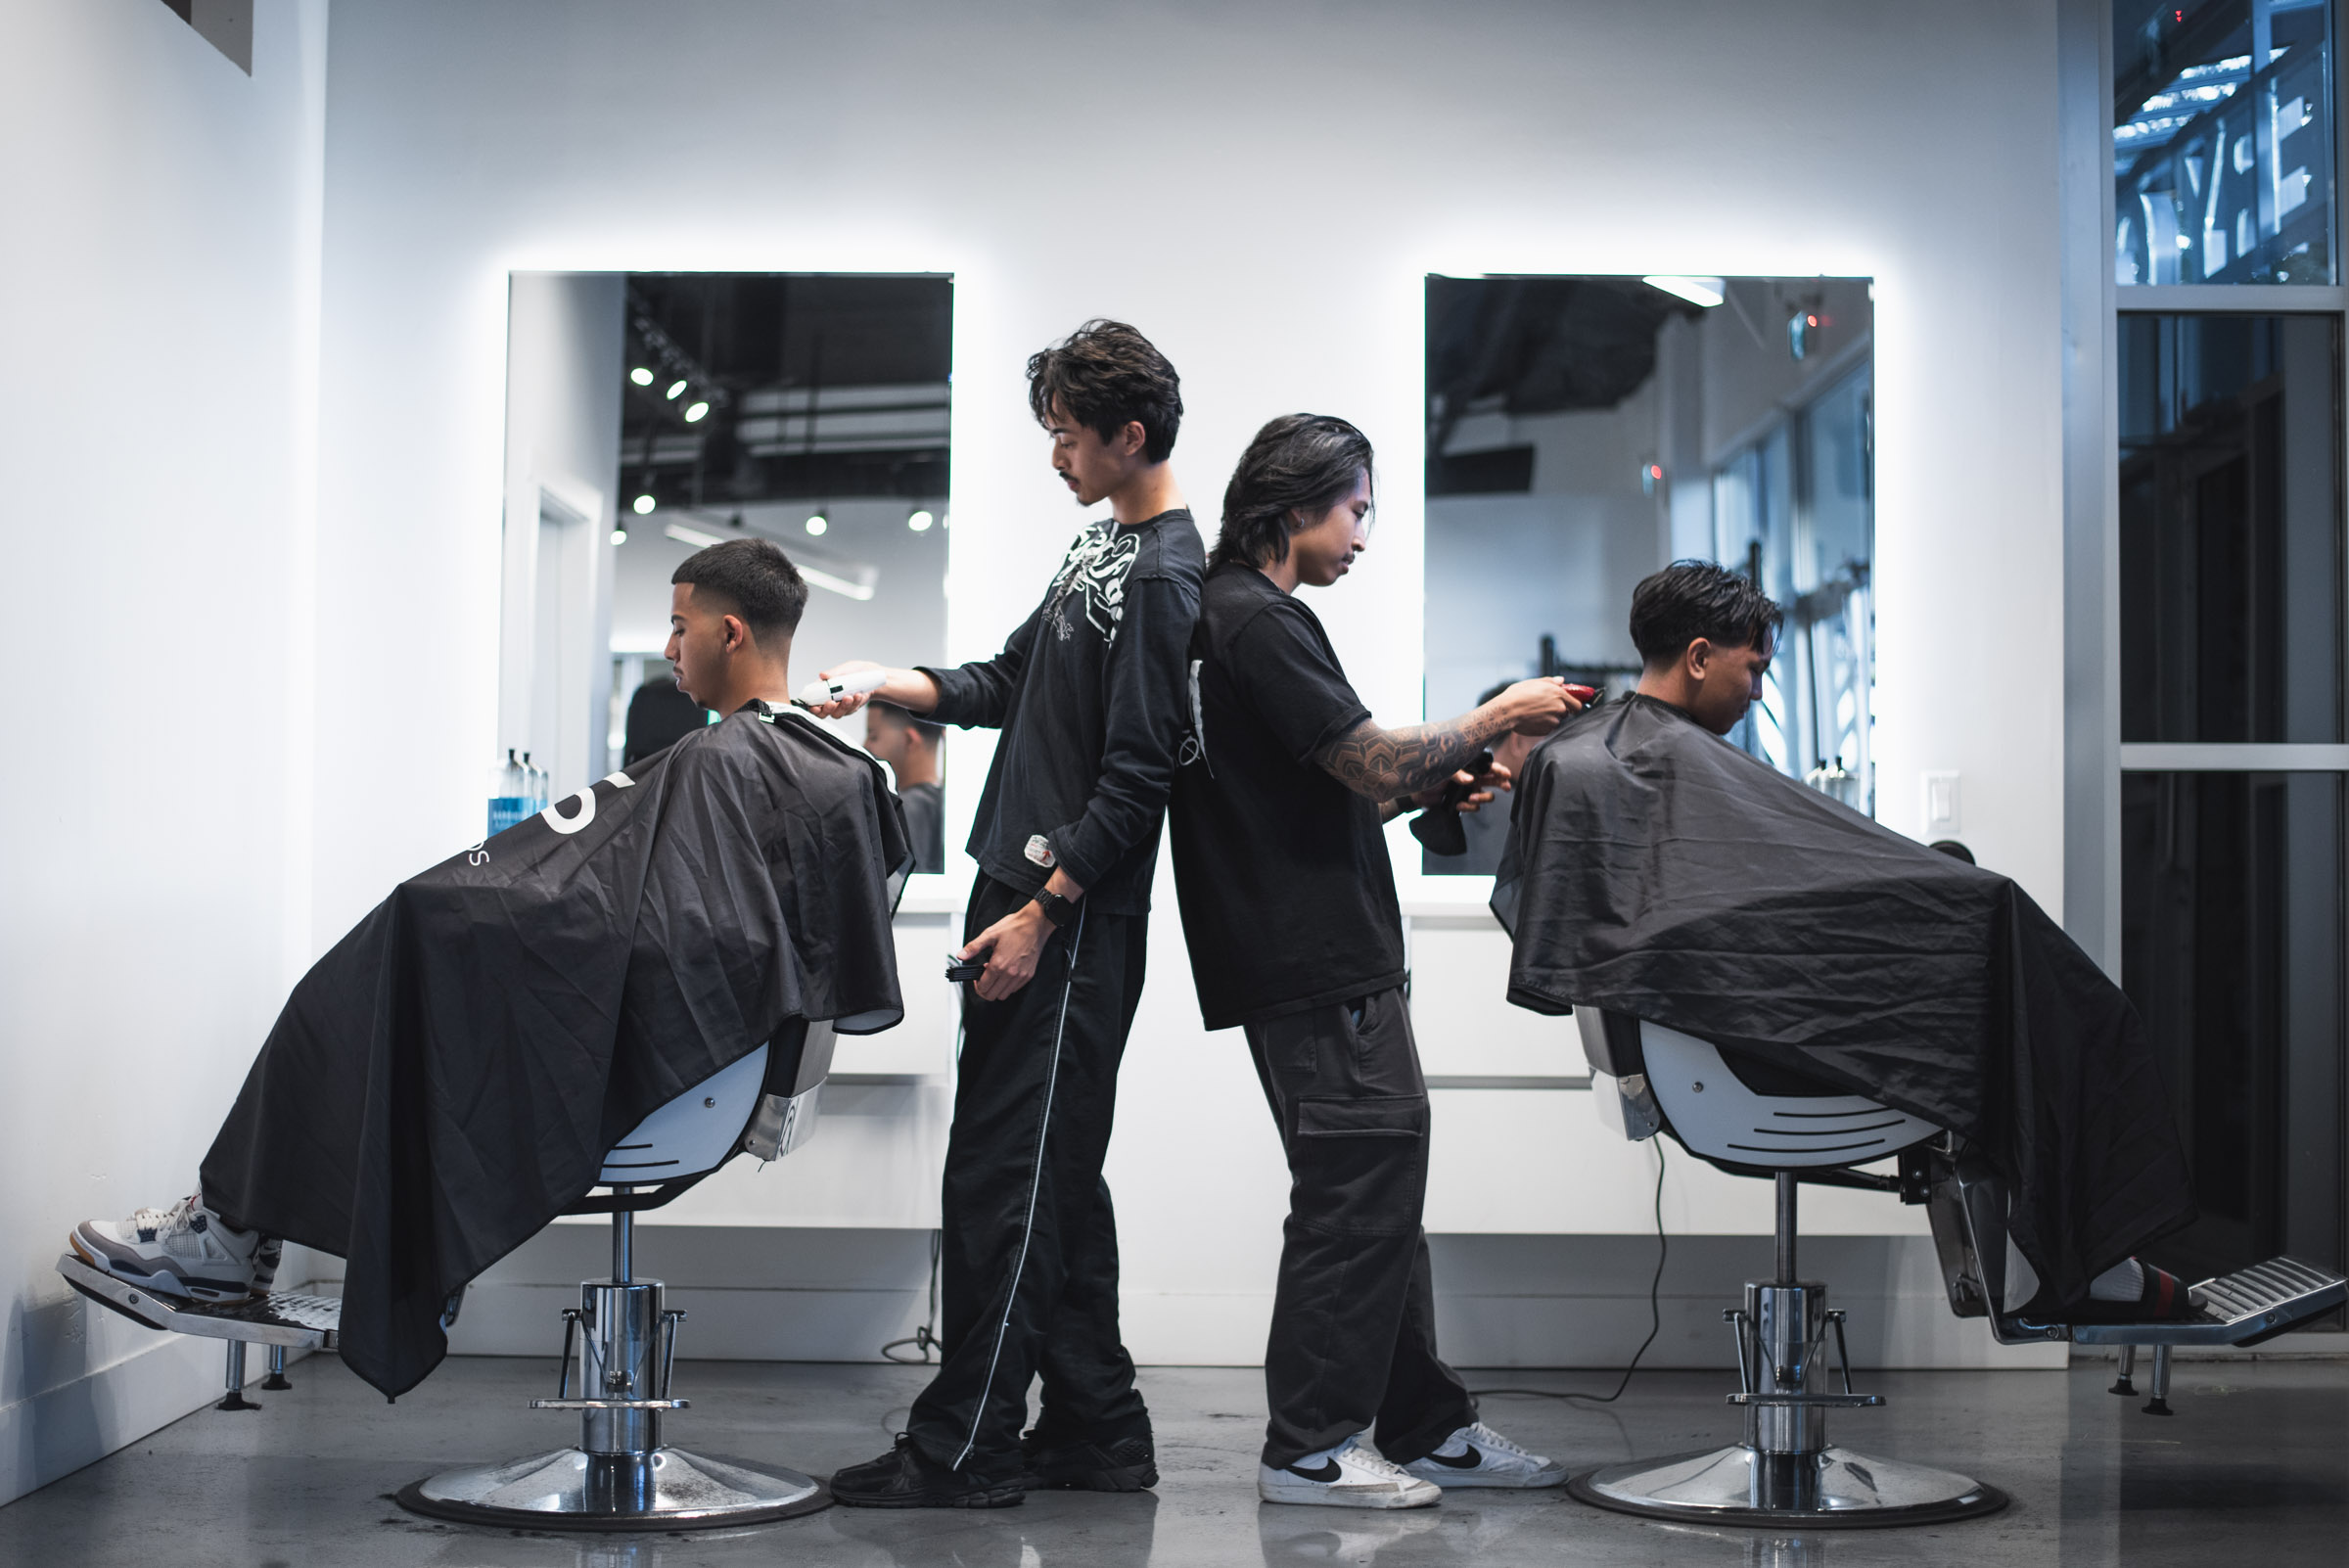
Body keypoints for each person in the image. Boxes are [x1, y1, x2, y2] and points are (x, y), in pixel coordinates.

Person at [69, 539, 910, 1396]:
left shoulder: (722, 761)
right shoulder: (830, 768)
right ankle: (238, 1233)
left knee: (376, 971)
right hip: (732, 1080)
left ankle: (227, 1236)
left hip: (677, 1088)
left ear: (729, 633)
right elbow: (696, 929)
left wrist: (460, 903)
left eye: (676, 626)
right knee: (407, 986)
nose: (666, 649)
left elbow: (665, 922)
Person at [1496, 560, 2196, 1321]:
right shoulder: (1639, 760)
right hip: (1736, 1063)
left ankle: (2074, 1250)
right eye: (1754, 668)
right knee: (2032, 980)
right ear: (1699, 657)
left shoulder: (1607, 755)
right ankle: (2092, 1260)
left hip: (1714, 1044)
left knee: (2006, 977)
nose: (1759, 691)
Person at [806, 321, 1204, 1508]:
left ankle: (963, 1448)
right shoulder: (1100, 547)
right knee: (1050, 1175)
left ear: (1130, 436)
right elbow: (1003, 681)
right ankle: (1098, 1432)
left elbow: (1143, 775)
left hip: (1065, 917)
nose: (1056, 460)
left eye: (1068, 438)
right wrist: (890, 681)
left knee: (1006, 1181)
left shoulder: (1167, 575)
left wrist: (1044, 911)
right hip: (1019, 894)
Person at [1166, 413, 1580, 1509]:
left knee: (1375, 1189)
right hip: (1314, 960)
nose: (1361, 536)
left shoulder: (1232, 621)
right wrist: (1497, 714)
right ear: (1297, 504)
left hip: (1303, 952)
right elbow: (1367, 754)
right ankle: (1310, 1445)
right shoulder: (1256, 621)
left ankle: (1426, 1424)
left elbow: (1328, 789)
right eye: (1356, 511)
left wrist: (1430, 787)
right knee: (1358, 1194)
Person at [863, 700, 945, 873]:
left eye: (873, 736)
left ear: (909, 740)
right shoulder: (946, 806)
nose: (865, 746)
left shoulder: (901, 811)